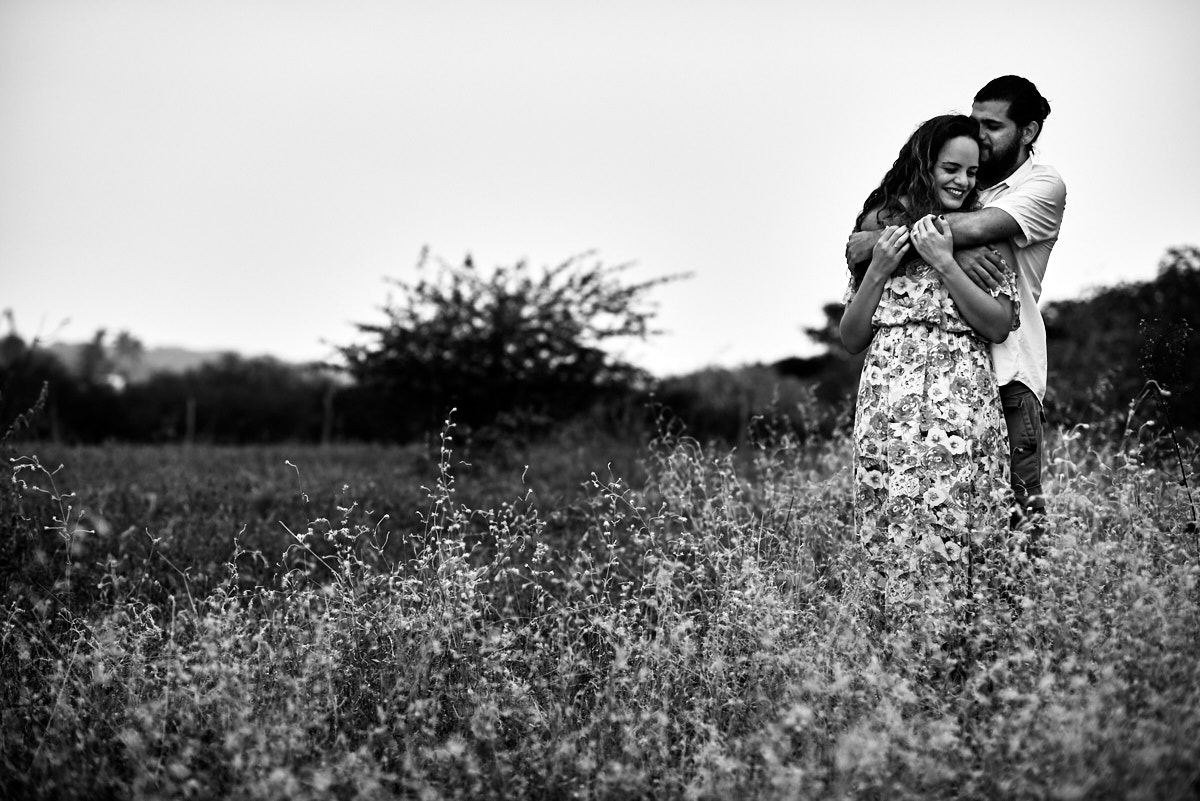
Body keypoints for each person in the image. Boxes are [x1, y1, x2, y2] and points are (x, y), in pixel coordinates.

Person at [847, 76, 1067, 550]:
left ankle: (1023, 620)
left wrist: (939, 249)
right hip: (915, 391)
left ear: (1027, 132)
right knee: (918, 520)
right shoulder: (968, 188)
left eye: (992, 125)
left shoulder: (1041, 186)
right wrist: (927, 245)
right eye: (975, 121)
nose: (980, 135)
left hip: (1006, 374)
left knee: (1010, 518)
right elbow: (883, 223)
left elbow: (951, 231)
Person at [840, 114, 1019, 639]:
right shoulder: (882, 240)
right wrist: (876, 269)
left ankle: (964, 657)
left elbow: (999, 324)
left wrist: (946, 262)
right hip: (887, 412)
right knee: (894, 531)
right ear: (925, 166)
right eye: (951, 168)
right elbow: (851, 338)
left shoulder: (979, 239)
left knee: (962, 529)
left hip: (962, 408)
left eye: (972, 170)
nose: (963, 181)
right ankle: (897, 660)